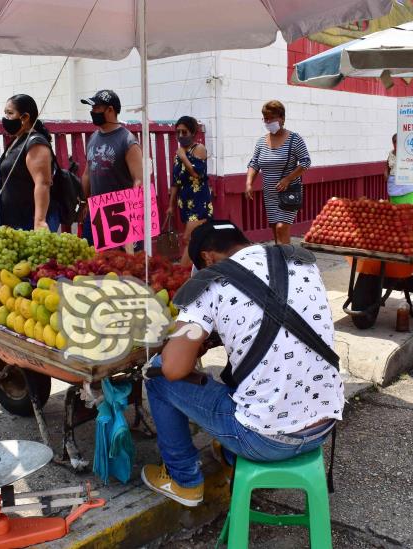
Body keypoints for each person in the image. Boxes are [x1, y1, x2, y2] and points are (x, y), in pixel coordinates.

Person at [142, 220, 344, 506]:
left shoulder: (211, 282)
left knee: (157, 374)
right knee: (254, 367)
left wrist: (184, 329)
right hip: (323, 426)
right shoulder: (300, 262)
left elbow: (174, 368)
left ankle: (184, 480)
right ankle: (228, 452)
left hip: (266, 440)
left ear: (207, 257)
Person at [80, 90, 143, 251]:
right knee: (93, 263)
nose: (93, 112)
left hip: (119, 214)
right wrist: (84, 201)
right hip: (95, 211)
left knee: (121, 267)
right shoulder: (93, 137)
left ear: (110, 110)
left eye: (96, 108)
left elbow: (138, 179)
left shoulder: (127, 140)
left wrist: (132, 215)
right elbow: (87, 173)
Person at [245, 100, 311, 245]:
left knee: (282, 228)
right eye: (265, 118)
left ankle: (288, 261)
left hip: (288, 193)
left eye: (271, 118)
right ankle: (281, 260)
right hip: (270, 195)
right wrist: (249, 183)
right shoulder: (261, 142)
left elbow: (306, 162)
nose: (268, 122)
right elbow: (254, 163)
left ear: (282, 118)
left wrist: (288, 179)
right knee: (275, 230)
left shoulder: (294, 139)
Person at [0, 94, 60, 231]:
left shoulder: (35, 143)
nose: (6, 118)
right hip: (14, 220)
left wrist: (40, 221)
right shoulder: (17, 140)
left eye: (10, 113)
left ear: (25, 117)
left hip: (30, 221)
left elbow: (42, 182)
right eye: (5, 113)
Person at [166, 116, 212, 265]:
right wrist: (171, 205)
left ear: (193, 133)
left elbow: (196, 173)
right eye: (177, 132)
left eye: (184, 132)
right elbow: (175, 182)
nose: (180, 136)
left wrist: (183, 157)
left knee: (189, 238)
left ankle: (183, 271)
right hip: (185, 202)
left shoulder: (198, 149)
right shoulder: (178, 154)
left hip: (199, 201)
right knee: (198, 238)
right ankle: (201, 267)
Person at [385, 133, 413, 205]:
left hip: (408, 185)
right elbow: (387, 168)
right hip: (394, 185)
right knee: (396, 210)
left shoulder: (408, 152)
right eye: (394, 141)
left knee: (408, 209)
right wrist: (386, 176)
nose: (396, 143)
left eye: (397, 141)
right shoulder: (390, 155)